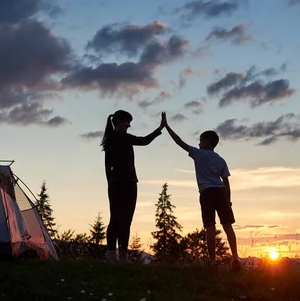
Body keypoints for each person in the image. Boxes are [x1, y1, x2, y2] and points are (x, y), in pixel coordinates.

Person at [161, 112, 241, 270]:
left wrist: (166, 126)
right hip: (221, 193)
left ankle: (212, 261)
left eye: (200, 140)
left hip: (207, 193)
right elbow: (226, 182)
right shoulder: (220, 159)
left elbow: (180, 142)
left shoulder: (199, 154)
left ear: (207, 142)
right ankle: (235, 257)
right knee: (228, 226)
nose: (198, 143)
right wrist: (229, 200)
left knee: (210, 227)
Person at [101, 110, 164, 261]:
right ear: (118, 121)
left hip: (128, 182)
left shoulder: (119, 138)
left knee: (125, 219)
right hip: (119, 183)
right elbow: (144, 141)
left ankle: (121, 256)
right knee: (117, 219)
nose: (129, 125)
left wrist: (159, 129)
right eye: (126, 122)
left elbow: (144, 141)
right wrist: (160, 128)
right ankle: (114, 255)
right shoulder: (115, 138)